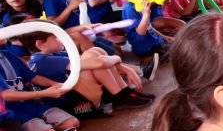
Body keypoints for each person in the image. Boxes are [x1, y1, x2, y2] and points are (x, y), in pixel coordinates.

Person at [21, 24, 152, 116]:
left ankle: (124, 93)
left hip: (78, 99)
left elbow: (96, 59)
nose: (61, 39)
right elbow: (99, 63)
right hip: (77, 109)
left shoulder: (52, 54)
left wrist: (123, 67)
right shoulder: (41, 61)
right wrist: (118, 61)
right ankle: (119, 97)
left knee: (94, 51)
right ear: (40, 44)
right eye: (55, 37)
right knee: (93, 59)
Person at [119, 0, 169, 80]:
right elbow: (141, 32)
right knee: (178, 51)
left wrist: (165, 37)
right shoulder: (129, 8)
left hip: (155, 42)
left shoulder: (141, 2)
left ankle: (154, 57)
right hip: (146, 48)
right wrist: (146, 14)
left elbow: (149, 26)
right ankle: (147, 60)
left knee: (177, 44)